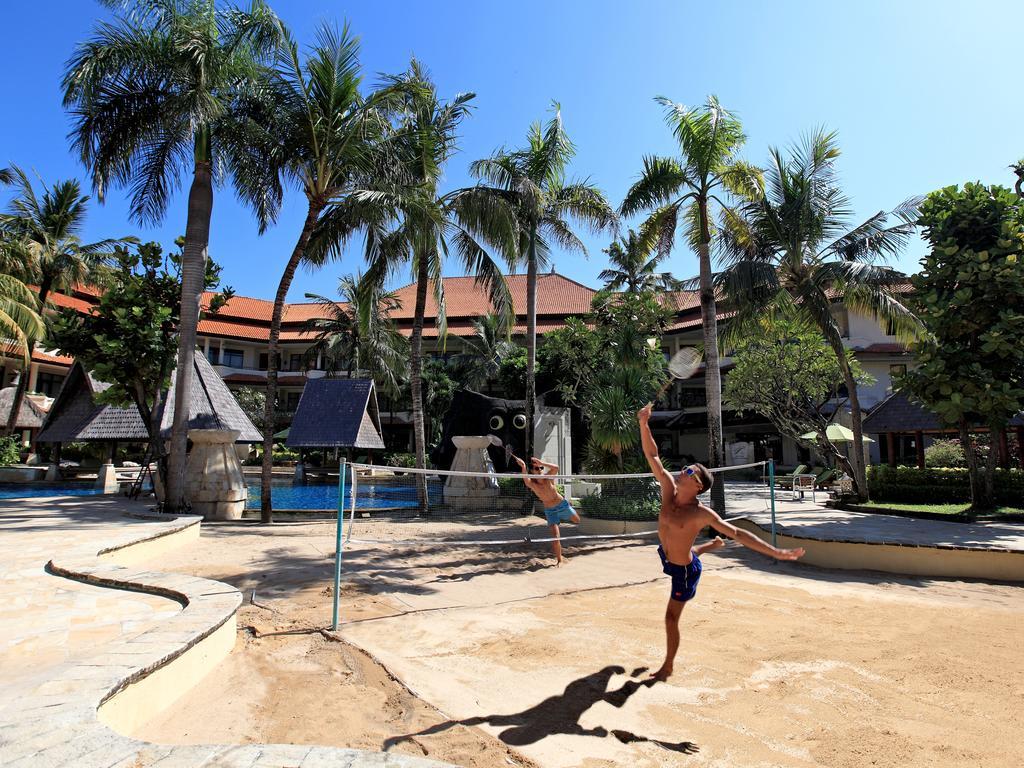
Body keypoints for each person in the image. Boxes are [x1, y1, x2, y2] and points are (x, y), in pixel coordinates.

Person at [637, 403, 805, 681]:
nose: (683, 472)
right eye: (685, 468)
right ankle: (707, 548)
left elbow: (737, 533)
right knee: (685, 551)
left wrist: (776, 551)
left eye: (690, 472)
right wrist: (644, 423)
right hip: (666, 555)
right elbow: (653, 454)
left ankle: (667, 667)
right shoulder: (668, 490)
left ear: (699, 486)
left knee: (670, 618)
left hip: (683, 572)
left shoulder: (701, 513)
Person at [512, 454, 580, 566]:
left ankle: (567, 510)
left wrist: (541, 463)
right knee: (555, 538)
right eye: (536, 468)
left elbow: (556, 468)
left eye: (540, 468)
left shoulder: (548, 477)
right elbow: (525, 479)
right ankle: (559, 560)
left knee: (577, 520)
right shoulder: (532, 484)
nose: (539, 470)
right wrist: (523, 466)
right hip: (550, 511)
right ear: (532, 472)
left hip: (562, 505)